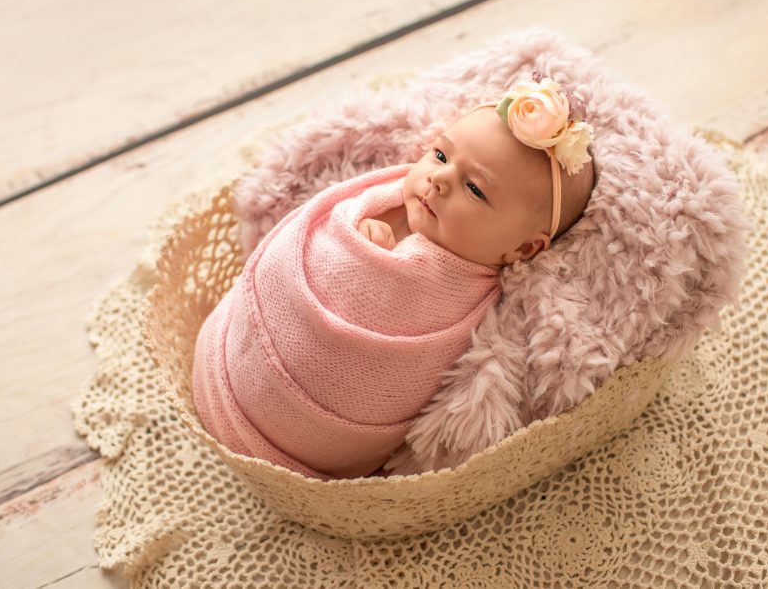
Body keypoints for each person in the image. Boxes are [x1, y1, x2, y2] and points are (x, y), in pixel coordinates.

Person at [192, 74, 597, 480]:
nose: (439, 179)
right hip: (226, 357)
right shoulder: (385, 197)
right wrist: (355, 248)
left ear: (524, 249)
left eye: (474, 190)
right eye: (440, 155)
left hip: (309, 442)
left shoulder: (471, 295)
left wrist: (372, 272)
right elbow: (308, 242)